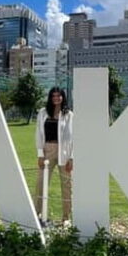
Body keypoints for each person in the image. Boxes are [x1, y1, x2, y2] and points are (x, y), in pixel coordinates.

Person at [34, 87, 74, 223]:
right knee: (41, 183)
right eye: (53, 96)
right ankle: (37, 213)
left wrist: (72, 158)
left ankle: (66, 217)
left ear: (63, 97)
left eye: (59, 95)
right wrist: (40, 154)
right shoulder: (43, 112)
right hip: (47, 150)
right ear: (50, 97)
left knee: (66, 185)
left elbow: (73, 137)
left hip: (65, 152)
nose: (56, 98)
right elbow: (39, 134)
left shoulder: (69, 115)